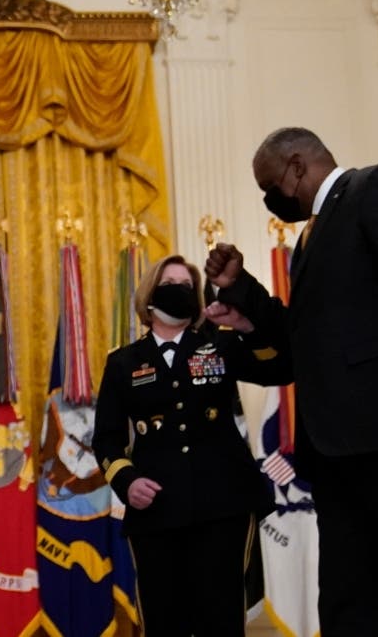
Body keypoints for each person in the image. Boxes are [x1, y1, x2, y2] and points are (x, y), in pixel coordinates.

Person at [204, 126, 378, 636]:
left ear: (297, 166)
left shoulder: (377, 188)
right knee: (348, 610)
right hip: (341, 460)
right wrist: (242, 292)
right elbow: (305, 347)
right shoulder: (311, 237)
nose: (271, 200)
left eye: (271, 186)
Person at [91, 255, 289, 637]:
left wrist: (248, 328)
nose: (179, 291)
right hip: (157, 511)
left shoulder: (219, 345)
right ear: (149, 295)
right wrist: (127, 481)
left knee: (221, 619)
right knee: (163, 621)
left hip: (223, 504)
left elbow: (279, 369)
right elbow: (107, 439)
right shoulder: (123, 362)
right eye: (170, 284)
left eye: (187, 286)